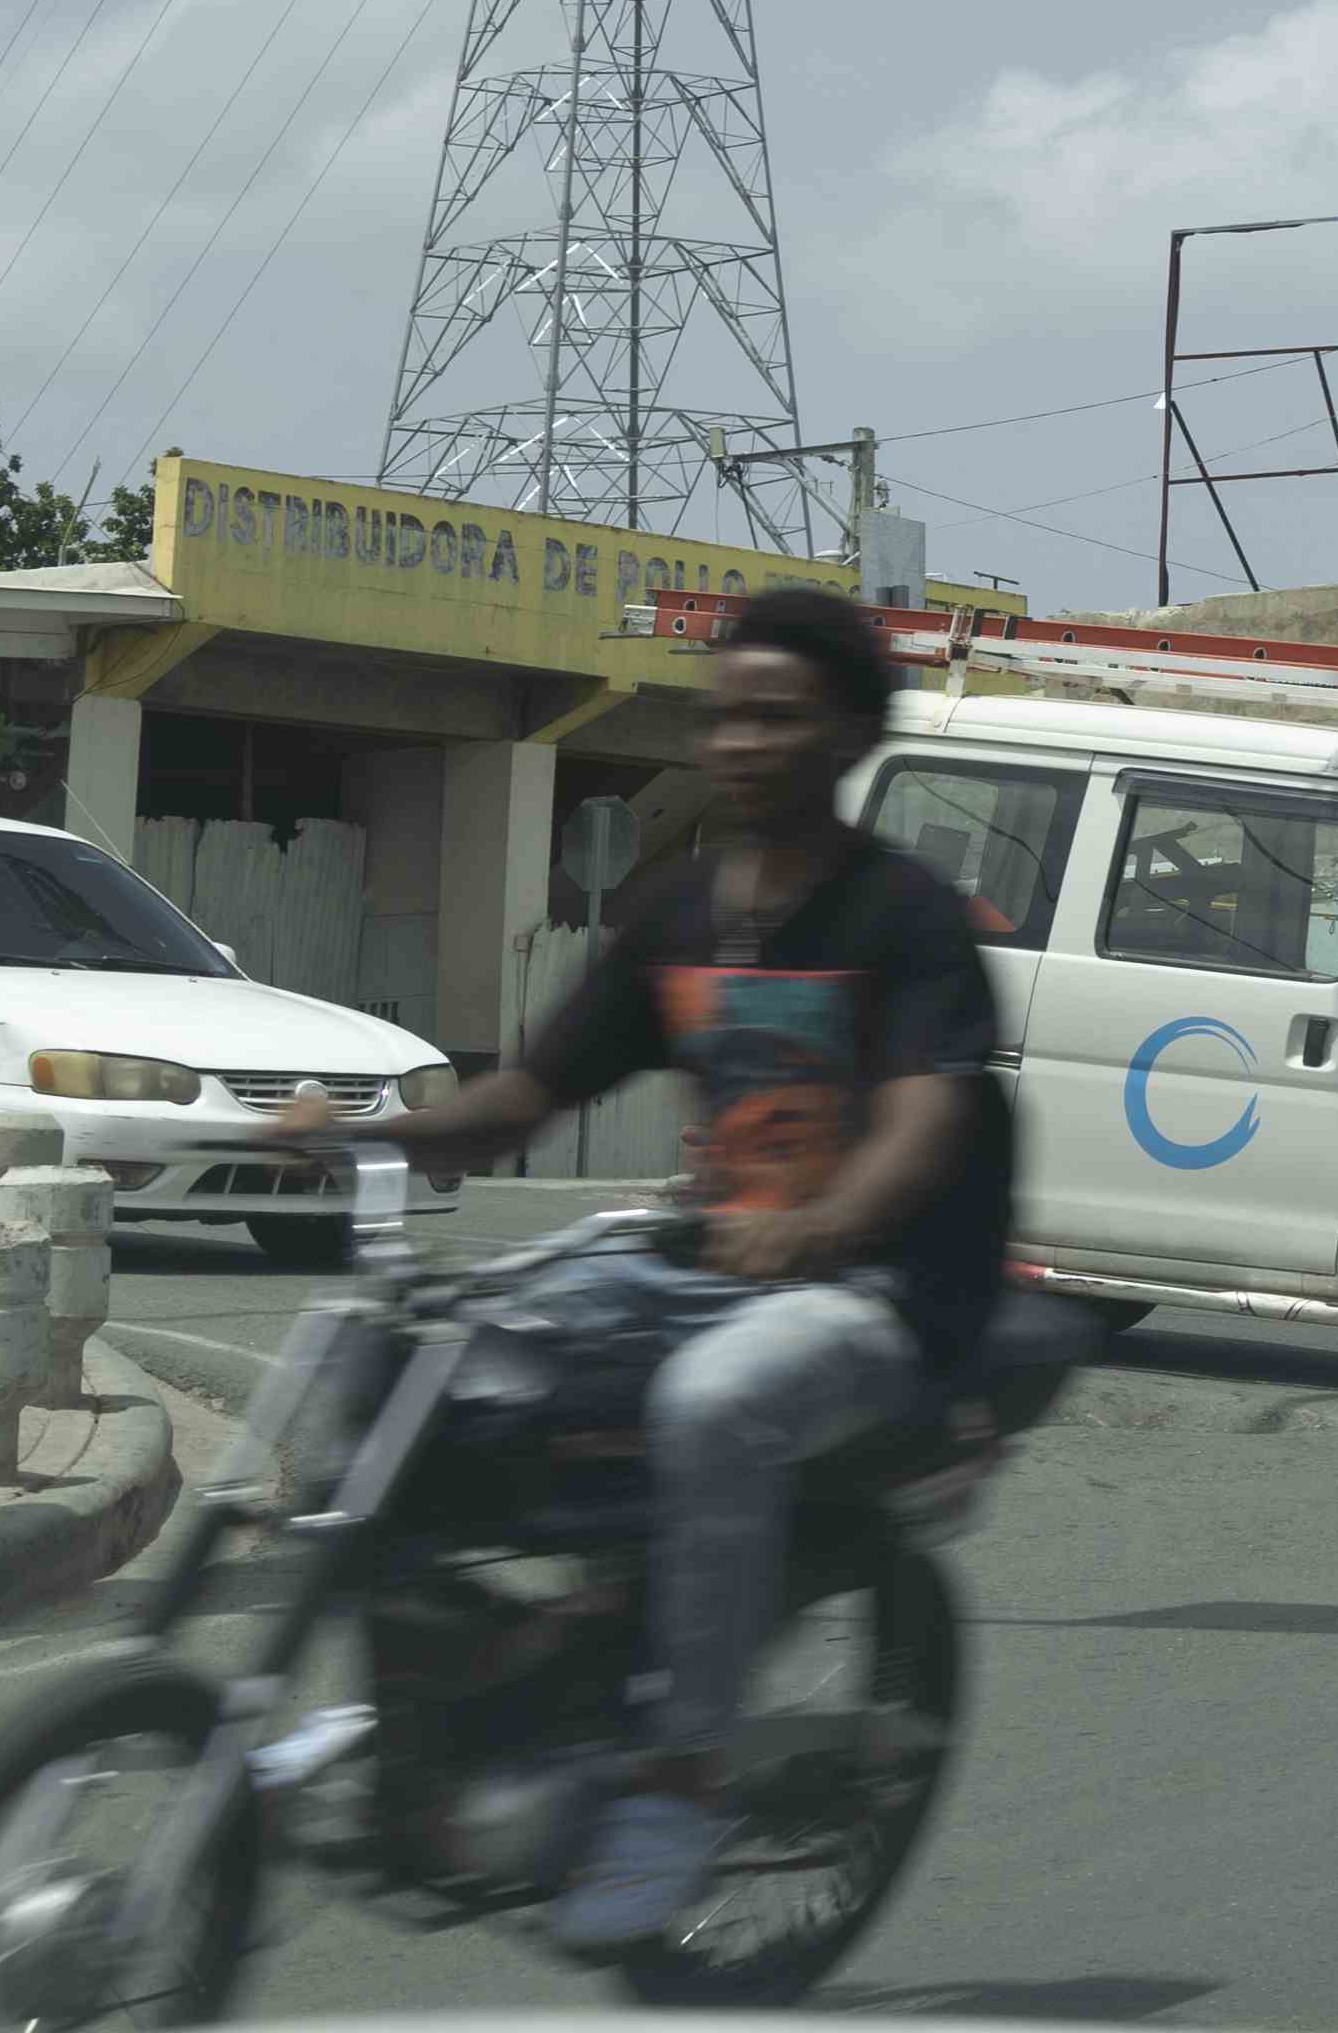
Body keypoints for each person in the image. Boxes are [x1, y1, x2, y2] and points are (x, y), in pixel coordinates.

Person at [272, 586, 1017, 1953]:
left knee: (715, 1407)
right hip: (703, 1267)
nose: (740, 743)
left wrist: (823, 1222)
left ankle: (683, 1777)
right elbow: (523, 1101)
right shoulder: (680, 911)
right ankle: (430, 1711)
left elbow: (926, 1122)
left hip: (882, 1298)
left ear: (853, 735)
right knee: (404, 1357)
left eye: (776, 719)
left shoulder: (906, 918)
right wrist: (364, 1137)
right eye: (725, 715)